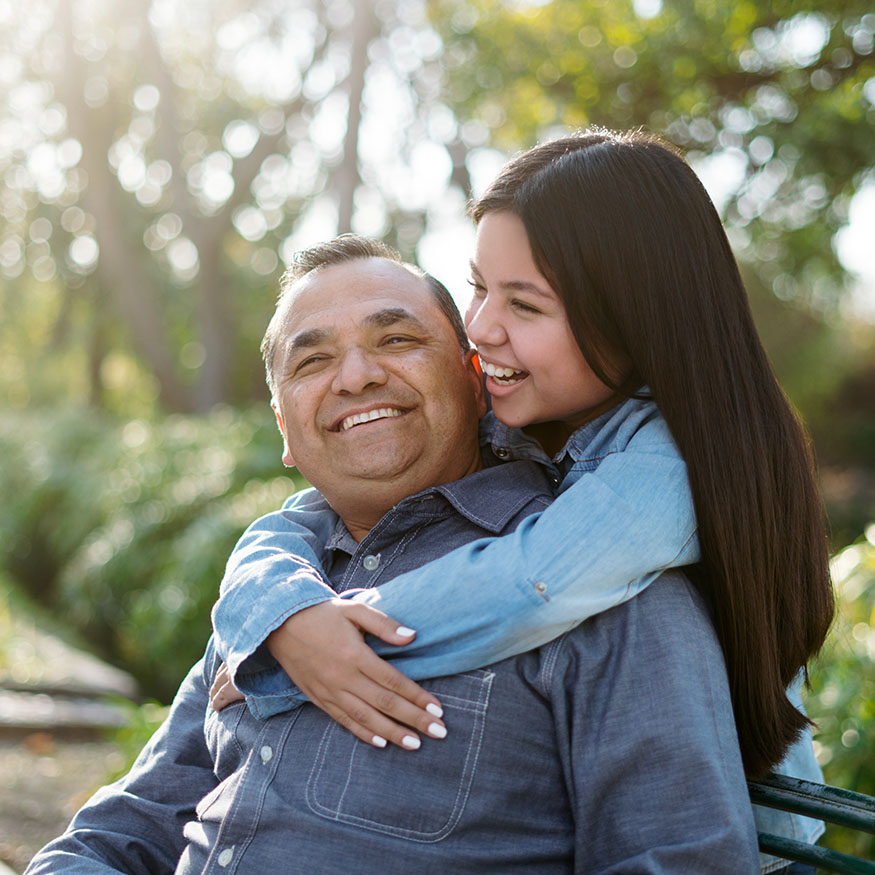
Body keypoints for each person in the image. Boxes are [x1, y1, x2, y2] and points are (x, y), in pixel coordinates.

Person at [25, 238, 759, 873]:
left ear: (478, 381)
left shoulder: (604, 587)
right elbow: (122, 830)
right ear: (284, 429)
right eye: (313, 359)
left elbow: (682, 859)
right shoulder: (279, 592)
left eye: (397, 340)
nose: (355, 376)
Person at [209, 130, 834, 873]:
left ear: (631, 321)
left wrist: (326, 646)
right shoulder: (524, 419)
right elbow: (304, 516)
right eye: (478, 286)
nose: (478, 327)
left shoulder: (665, 472)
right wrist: (278, 606)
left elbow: (527, 585)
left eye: (525, 305)